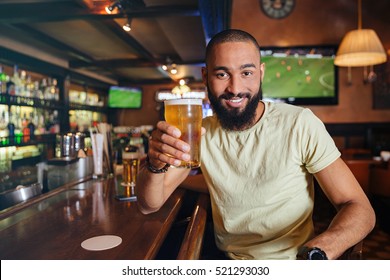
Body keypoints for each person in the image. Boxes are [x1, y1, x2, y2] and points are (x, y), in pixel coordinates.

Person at [137, 29, 376, 260]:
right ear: (205, 76)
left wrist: (320, 252)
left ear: (261, 72)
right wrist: (156, 164)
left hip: (291, 263)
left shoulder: (300, 123)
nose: (235, 88)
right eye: (222, 74)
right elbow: (149, 205)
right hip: (228, 263)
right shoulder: (200, 133)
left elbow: (359, 207)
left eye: (246, 73)